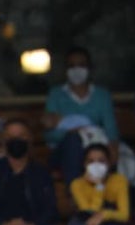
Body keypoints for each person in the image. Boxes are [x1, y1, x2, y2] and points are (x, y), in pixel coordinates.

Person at [42, 46, 120, 184]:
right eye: (72, 66)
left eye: (81, 65)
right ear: (65, 70)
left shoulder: (102, 95)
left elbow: (111, 131)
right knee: (73, 141)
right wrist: (70, 133)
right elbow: (48, 134)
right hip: (63, 153)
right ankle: (74, 193)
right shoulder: (56, 95)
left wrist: (112, 149)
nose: (76, 70)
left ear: (89, 68)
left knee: (103, 154)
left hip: (95, 149)